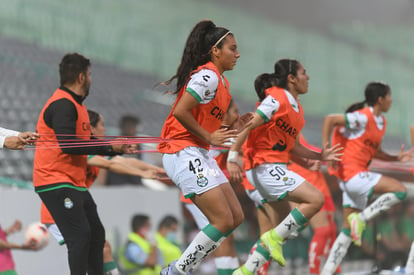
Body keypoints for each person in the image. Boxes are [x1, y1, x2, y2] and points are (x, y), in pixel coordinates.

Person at [227, 60, 342, 274]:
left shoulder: (295, 108)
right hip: (264, 168)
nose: (308, 77)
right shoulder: (276, 98)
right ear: (291, 78)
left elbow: (295, 147)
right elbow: (249, 124)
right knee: (315, 199)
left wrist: (320, 155)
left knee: (279, 231)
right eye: (304, 73)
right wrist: (232, 156)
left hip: (268, 170)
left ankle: (245, 271)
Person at [33, 53, 133, 275]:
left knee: (96, 234)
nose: (90, 79)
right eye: (89, 74)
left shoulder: (77, 106)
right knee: (80, 236)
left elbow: (85, 142)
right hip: (54, 180)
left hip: (72, 181)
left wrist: (114, 147)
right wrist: (109, 147)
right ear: (81, 77)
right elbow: (69, 145)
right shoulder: (62, 104)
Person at [157, 19, 243, 274]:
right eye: (232, 48)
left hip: (197, 153)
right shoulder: (208, 76)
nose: (238, 54)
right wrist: (208, 135)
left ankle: (179, 269)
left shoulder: (221, 83)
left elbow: (211, 127)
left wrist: (239, 125)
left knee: (235, 218)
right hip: (181, 152)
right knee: (222, 220)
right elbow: (182, 111)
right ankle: (177, 270)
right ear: (215, 51)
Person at [39, 109, 162, 274]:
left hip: (73, 207)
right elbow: (111, 165)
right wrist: (141, 174)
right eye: (101, 125)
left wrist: (156, 169)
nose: (105, 129)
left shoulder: (96, 150)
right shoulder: (82, 152)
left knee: (101, 247)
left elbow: (124, 161)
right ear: (91, 128)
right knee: (90, 248)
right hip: (58, 211)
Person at [320, 82, 410, 275]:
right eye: (389, 96)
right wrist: (326, 149)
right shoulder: (362, 117)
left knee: (346, 233)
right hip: (354, 175)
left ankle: (326, 272)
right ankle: (361, 218)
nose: (391, 100)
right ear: (380, 99)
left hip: (352, 180)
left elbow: (375, 152)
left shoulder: (380, 122)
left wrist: (396, 158)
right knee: (400, 191)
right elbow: (330, 119)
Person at [180, 100, 249, 275]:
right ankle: (180, 269)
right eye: (235, 111)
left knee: (227, 237)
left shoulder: (221, 135)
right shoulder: (217, 135)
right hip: (201, 193)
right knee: (222, 239)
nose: (238, 115)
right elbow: (239, 147)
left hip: (208, 190)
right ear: (223, 116)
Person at [288, 134, 340, 275]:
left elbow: (304, 149)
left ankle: (333, 269)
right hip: (307, 184)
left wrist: (319, 156)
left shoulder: (294, 127)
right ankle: (314, 271)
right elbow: (287, 154)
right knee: (322, 230)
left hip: (319, 182)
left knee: (331, 230)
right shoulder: (275, 128)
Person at [106, 115, 145, 186]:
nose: (131, 129)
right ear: (122, 127)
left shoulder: (137, 146)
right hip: (116, 183)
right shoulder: (114, 144)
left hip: (135, 184)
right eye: (129, 126)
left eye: (133, 126)